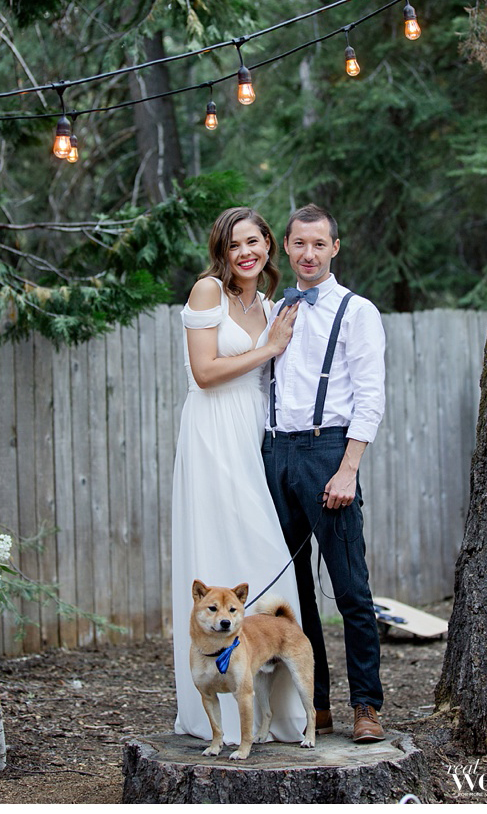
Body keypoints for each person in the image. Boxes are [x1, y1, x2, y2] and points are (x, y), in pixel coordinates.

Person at [171, 206, 307, 745]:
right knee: (222, 544)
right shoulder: (208, 291)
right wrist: (269, 347)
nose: (245, 252)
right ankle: (218, 716)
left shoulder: (270, 306)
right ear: (222, 253)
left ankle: (275, 713)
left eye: (254, 241)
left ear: (269, 244)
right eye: (234, 245)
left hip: (255, 433)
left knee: (268, 561)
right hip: (212, 431)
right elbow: (205, 372)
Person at [262, 203, 387, 743]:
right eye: (299, 244)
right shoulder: (274, 309)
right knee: (295, 593)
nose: (308, 254)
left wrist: (348, 468)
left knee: (351, 588)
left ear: (335, 248)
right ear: (286, 248)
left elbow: (370, 395)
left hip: (328, 452)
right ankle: (317, 705)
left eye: (319, 244)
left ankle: (366, 706)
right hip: (274, 454)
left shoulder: (358, 311)